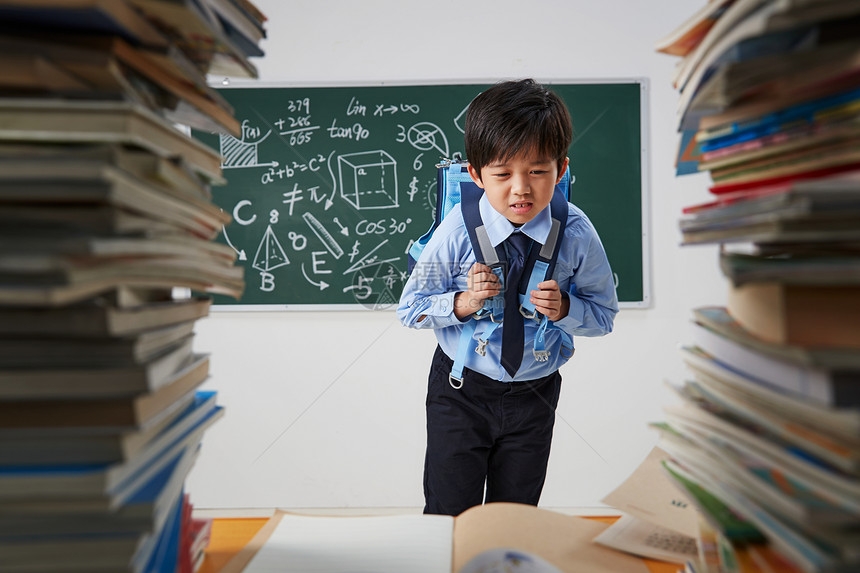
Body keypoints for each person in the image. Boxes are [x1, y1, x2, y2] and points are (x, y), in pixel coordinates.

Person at [397, 79, 619, 516]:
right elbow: (410, 309)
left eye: (538, 171)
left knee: (515, 519)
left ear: (562, 169)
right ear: (477, 174)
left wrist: (567, 309)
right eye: (502, 174)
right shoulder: (457, 231)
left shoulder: (576, 232)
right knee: (448, 514)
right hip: (460, 391)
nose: (521, 188)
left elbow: (604, 316)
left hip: (535, 393)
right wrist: (463, 302)